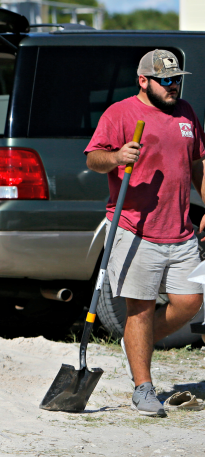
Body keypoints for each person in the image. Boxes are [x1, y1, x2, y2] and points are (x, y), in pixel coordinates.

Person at [85, 49, 205, 417]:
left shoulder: (185, 113)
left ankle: (136, 343)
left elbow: (198, 162)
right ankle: (143, 387)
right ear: (143, 80)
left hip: (181, 229)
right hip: (135, 228)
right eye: (165, 80)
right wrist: (118, 157)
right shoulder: (120, 113)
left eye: (177, 79)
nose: (173, 86)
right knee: (139, 309)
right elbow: (93, 158)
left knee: (191, 301)